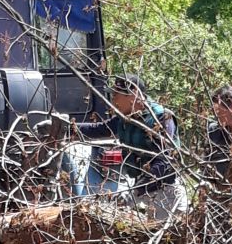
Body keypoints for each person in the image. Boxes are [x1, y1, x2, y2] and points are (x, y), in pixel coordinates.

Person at [75, 74, 189, 219]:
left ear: (133, 95)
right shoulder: (125, 118)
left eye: (116, 94)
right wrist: (68, 126)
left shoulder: (160, 118)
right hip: (146, 191)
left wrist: (134, 192)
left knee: (170, 237)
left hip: (168, 192)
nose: (113, 100)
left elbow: (164, 162)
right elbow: (99, 129)